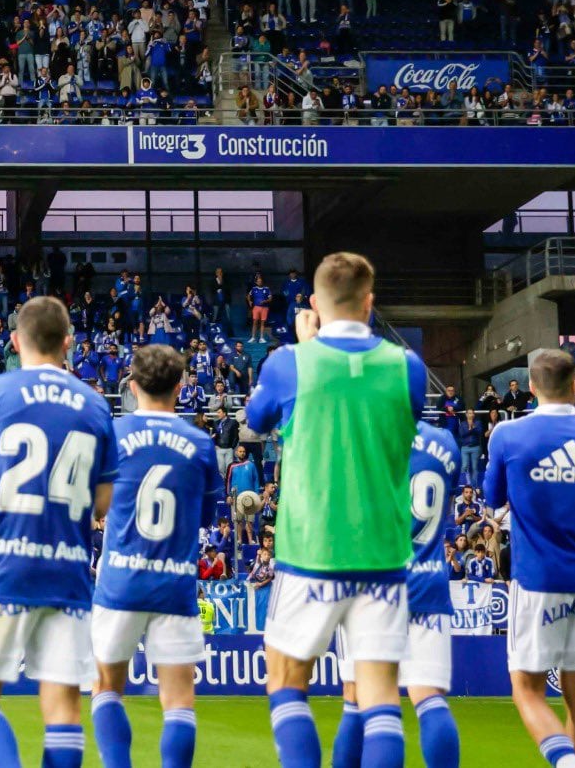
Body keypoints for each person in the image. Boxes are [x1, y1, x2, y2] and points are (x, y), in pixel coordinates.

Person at [245, 252, 425, 768]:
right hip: (384, 554)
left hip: (310, 549)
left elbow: (257, 419)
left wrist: (305, 345)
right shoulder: (407, 367)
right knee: (380, 698)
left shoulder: (288, 362)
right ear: (369, 303)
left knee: (284, 680)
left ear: (315, 305)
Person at [0, 295, 118, 768]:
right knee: (63, 705)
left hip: (1, 569)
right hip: (66, 573)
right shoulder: (94, 405)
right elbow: (102, 504)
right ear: (68, 343)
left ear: (14, 341)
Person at [485, 348, 575, 768]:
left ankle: (564, 762)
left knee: (526, 689)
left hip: (536, 576)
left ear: (530, 386)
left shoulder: (508, 434)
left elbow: (493, 500)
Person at [89, 345, 219, 768]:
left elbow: (96, 506)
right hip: (175, 586)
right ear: (180, 388)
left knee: (107, 686)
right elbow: (203, 518)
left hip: (119, 585)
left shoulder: (113, 435)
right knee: (179, 698)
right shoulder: (201, 443)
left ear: (131, 385)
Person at [335, 420, 463, 768]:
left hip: (369, 586)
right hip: (427, 582)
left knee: (358, 697)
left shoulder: (359, 435)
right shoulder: (445, 442)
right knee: (429, 698)